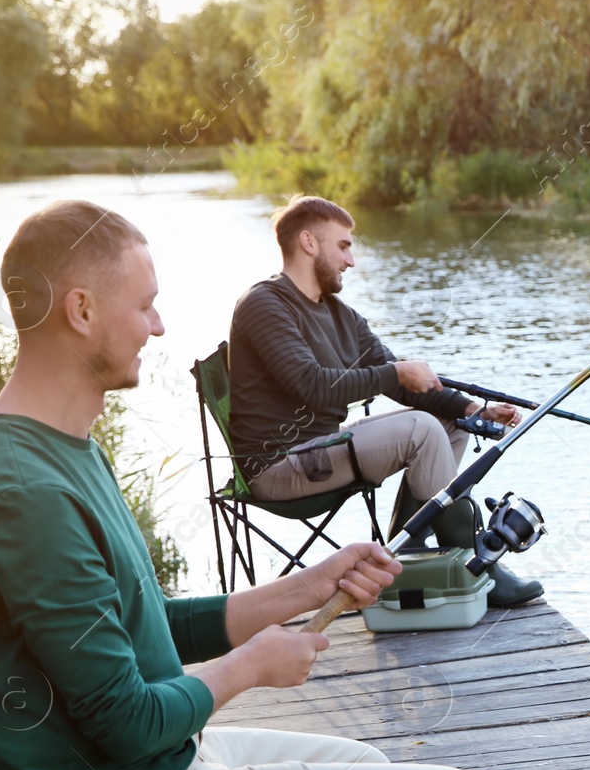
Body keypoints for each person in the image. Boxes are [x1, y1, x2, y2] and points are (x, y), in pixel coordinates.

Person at [0, 200, 503, 770]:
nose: (160, 326)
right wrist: (252, 668)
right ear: (81, 309)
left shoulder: (54, 444)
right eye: (145, 304)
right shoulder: (27, 492)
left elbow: (139, 625)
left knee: (366, 764)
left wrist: (308, 586)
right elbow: (127, 720)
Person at [227, 195, 541, 607]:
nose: (351, 260)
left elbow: (400, 383)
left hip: (320, 451)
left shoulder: (341, 315)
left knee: (447, 425)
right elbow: (312, 386)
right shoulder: (264, 305)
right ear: (308, 242)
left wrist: (472, 410)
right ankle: (478, 566)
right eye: (343, 245)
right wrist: (395, 372)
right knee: (422, 429)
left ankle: (404, 554)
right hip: (277, 465)